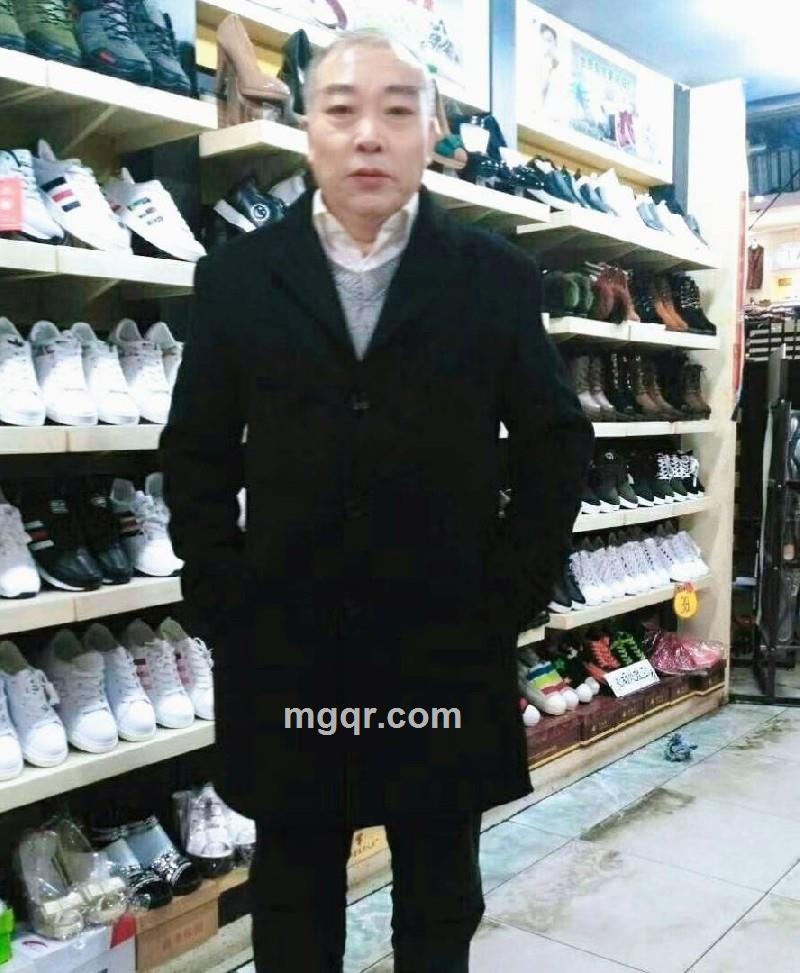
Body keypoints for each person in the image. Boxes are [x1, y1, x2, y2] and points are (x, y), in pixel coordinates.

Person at [161, 28, 593, 973]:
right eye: (342, 109)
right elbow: (195, 451)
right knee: (293, 902)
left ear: (433, 131)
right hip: (289, 649)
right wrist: (223, 597)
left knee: (439, 902)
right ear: (307, 127)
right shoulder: (237, 278)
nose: (368, 134)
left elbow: (557, 442)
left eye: (398, 111)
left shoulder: (494, 278)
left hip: (444, 647)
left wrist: (510, 593)